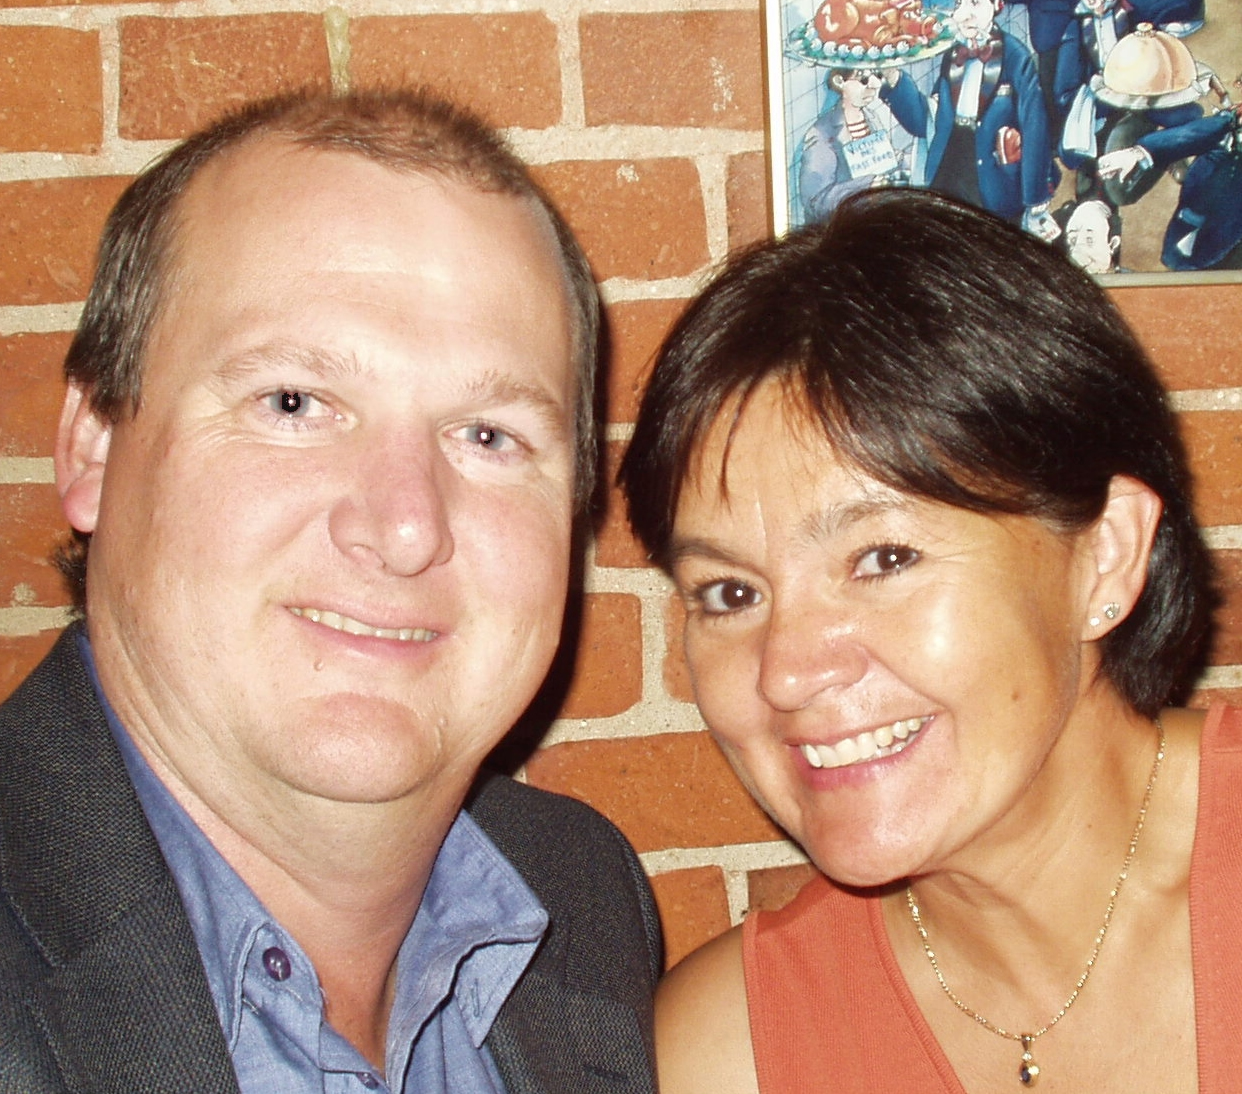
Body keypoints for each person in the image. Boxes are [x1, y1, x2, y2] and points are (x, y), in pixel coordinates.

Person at [0, 88, 661, 1094]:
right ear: (92, 445)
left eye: (489, 435)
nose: (403, 525)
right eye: (294, 401)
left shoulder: (582, 898)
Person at [619, 187, 1227, 1093]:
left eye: (884, 557)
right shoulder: (727, 1053)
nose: (788, 672)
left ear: (1103, 558)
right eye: (732, 591)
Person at [879, 0, 1059, 239]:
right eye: (958, 5)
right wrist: (894, 80)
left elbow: (1034, 125)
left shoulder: (1015, 55)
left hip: (994, 177)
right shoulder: (952, 55)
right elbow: (927, 122)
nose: (965, 15)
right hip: (950, 169)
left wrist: (1035, 194)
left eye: (975, 2)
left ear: (997, 5)